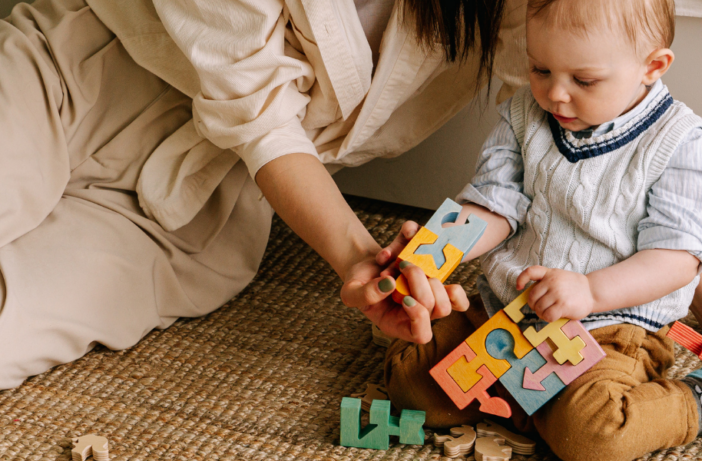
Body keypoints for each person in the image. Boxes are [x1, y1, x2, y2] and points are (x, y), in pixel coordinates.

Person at [0, 0, 530, 389]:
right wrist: (355, 253)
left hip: (199, 212)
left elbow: (546, 135)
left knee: (12, 329)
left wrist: (404, 261)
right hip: (70, 78)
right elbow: (261, 119)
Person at [384, 1, 702, 460]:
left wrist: (590, 291)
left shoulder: (681, 142)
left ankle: (701, 403)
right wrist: (432, 251)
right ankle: (528, 400)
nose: (556, 95)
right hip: (507, 313)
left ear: (652, 67)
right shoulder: (524, 114)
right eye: (540, 69)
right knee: (409, 385)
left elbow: (677, 259)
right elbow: (494, 204)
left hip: (611, 328)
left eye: (584, 80)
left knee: (593, 436)